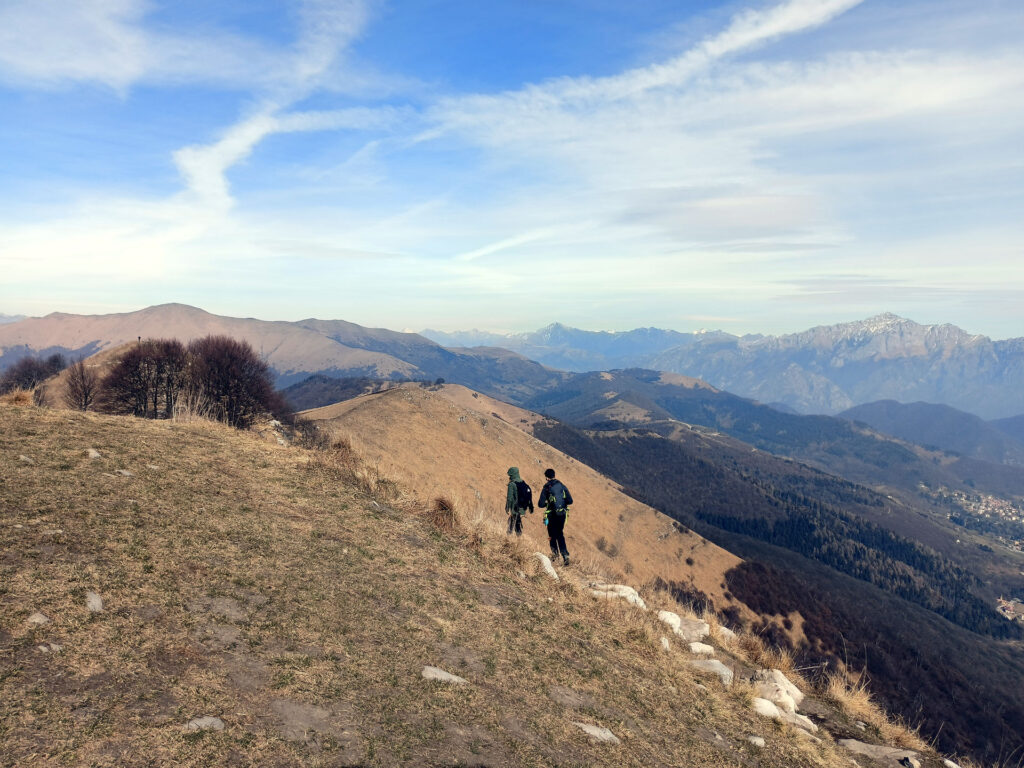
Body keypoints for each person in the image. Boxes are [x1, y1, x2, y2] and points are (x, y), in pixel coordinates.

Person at [538, 468, 573, 565]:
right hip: (562, 514)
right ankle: (565, 555)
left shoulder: (546, 487)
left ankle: (555, 555)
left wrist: (548, 503)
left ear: (547, 478)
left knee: (551, 535)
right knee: (560, 534)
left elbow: (540, 504)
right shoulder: (561, 485)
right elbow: (570, 501)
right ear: (554, 475)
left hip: (552, 515)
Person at [505, 467, 533, 536]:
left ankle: (512, 537)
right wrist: (530, 507)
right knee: (514, 521)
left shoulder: (512, 484)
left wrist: (507, 508)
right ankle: (512, 537)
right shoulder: (523, 483)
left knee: (515, 523)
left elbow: (509, 498)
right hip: (523, 508)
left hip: (515, 508)